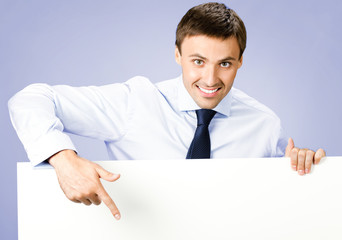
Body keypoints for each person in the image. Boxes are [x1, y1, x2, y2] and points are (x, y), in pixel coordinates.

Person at [8, 2, 325, 221]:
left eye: (225, 64)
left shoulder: (264, 124)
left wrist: (302, 164)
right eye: (198, 61)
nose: (211, 80)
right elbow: (30, 99)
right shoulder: (136, 102)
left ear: (240, 61)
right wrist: (63, 159)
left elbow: (282, 193)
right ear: (177, 55)